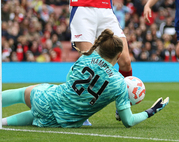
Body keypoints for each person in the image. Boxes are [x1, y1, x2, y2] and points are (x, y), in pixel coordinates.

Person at [1, 29, 169, 128]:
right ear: (119, 55)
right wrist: (151, 111)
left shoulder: (86, 57)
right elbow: (128, 121)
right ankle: (3, 122)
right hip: (67, 121)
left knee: (25, 92)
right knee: (42, 115)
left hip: (47, 100)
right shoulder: (119, 83)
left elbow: (68, 79)